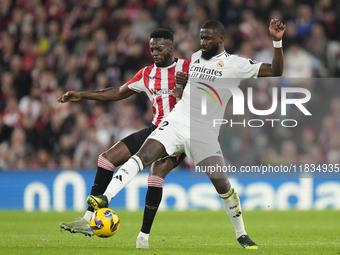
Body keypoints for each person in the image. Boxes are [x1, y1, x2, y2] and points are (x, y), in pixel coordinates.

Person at [87, 19, 286, 250]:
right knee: (143, 156)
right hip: (177, 120)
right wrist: (182, 87)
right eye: (201, 37)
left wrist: (277, 42)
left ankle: (241, 234)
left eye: (207, 38)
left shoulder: (236, 64)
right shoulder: (196, 57)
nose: (202, 42)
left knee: (222, 185)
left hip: (204, 132)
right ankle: (105, 198)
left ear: (221, 39)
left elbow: (276, 70)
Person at [58, 28, 190, 245]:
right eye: (151, 48)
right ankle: (87, 219)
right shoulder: (146, 74)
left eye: (159, 48)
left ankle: (143, 237)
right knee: (106, 158)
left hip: (179, 135)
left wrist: (185, 89)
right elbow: (117, 92)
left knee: (154, 178)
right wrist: (82, 94)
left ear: (171, 47)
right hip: (155, 129)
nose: (155, 52)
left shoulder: (187, 69)